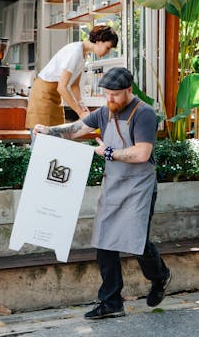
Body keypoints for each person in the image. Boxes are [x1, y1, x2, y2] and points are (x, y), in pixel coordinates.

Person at [33, 67, 171, 320]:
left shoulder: (144, 114)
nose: (110, 100)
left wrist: (108, 153)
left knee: (136, 241)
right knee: (104, 241)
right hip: (114, 182)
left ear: (129, 90)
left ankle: (160, 276)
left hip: (139, 185)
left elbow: (141, 153)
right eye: (107, 94)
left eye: (115, 95)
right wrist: (49, 131)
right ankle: (111, 302)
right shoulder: (105, 112)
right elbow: (76, 129)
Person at [25, 25, 118, 135]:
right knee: (40, 138)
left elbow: (74, 86)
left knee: (55, 137)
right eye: (107, 48)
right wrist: (79, 112)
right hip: (43, 95)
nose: (107, 52)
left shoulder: (83, 55)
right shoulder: (75, 52)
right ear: (99, 40)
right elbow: (62, 87)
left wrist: (82, 107)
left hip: (54, 96)